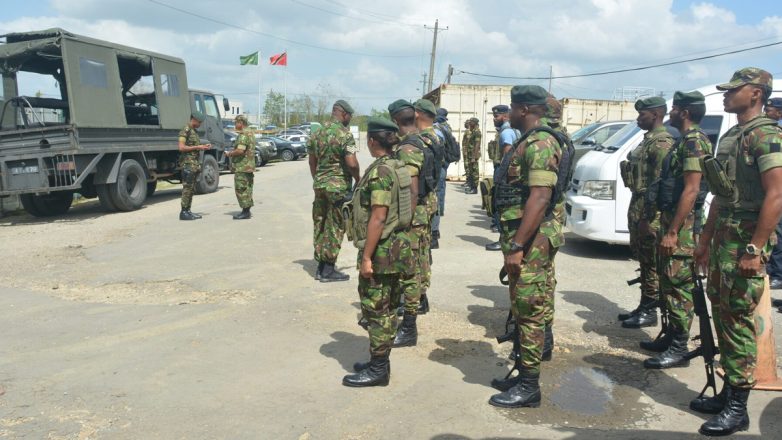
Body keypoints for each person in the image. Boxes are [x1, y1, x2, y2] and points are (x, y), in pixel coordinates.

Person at [693, 67, 782, 436]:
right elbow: (720, 193)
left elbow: (777, 193)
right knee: (724, 314)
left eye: (734, 90)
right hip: (723, 238)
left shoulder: (765, 135)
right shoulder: (734, 134)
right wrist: (704, 239)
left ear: (757, 94)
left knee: (739, 319)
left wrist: (754, 249)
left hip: (744, 240)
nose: (727, 95)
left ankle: (737, 406)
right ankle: (730, 388)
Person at [489, 85, 562, 408]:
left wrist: (518, 245)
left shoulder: (541, 143)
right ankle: (523, 373)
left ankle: (530, 386)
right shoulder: (528, 140)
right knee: (524, 308)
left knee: (529, 311)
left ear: (525, 110)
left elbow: (541, 197)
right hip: (525, 239)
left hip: (531, 241)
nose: (509, 113)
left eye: (514, 108)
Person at [342, 116, 414, 387]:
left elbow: (378, 217)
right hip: (396, 246)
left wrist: (368, 257)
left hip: (382, 251)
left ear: (372, 141)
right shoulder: (397, 166)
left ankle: (378, 369)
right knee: (387, 307)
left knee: (377, 309)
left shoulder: (382, 171)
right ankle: (378, 361)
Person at [643, 91, 712, 369]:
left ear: (684, 113)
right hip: (673, 221)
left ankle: (679, 347)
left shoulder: (695, 141)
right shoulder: (684, 141)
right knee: (668, 283)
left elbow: (692, 189)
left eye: (674, 109)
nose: (669, 113)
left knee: (679, 287)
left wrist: (673, 232)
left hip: (683, 228)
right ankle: (672, 335)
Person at [617, 97, 673, 329]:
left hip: (650, 209)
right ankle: (645, 303)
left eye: (643, 115)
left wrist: (650, 218)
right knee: (642, 257)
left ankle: (650, 310)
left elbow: (660, 184)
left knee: (651, 261)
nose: (639, 118)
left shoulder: (662, 143)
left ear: (657, 115)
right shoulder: (648, 140)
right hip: (639, 203)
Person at [387, 99, 430, 346]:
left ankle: (409, 327)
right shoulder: (424, 139)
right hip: (421, 214)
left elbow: (412, 190)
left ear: (395, 121)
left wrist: (403, 222)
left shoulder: (408, 148)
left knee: (409, 272)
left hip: (412, 217)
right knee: (417, 267)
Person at [308, 100, 360, 282]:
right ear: (344, 114)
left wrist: (318, 179)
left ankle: (321, 267)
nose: (349, 120)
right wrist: (359, 180)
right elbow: (352, 163)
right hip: (338, 187)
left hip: (320, 185)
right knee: (335, 225)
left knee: (320, 224)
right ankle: (328, 269)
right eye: (350, 117)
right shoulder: (345, 135)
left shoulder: (316, 134)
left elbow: (312, 161)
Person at [486, 104, 519, 251]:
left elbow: (507, 157)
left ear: (505, 116)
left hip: (503, 170)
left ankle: (502, 240)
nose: (494, 119)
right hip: (505, 170)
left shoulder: (506, 133)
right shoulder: (512, 130)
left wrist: (502, 177)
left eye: (497, 116)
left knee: (500, 204)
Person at [416, 99, 445, 250]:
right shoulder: (436, 134)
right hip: (431, 187)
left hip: (423, 193)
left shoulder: (422, 139)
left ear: (417, 114)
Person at [763, 97, 782, 290]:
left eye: (771, 110)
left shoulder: (776, 134)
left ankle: (777, 273)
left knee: (778, 235)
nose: (767, 112)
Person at [178, 111, 212, 221]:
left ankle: (188, 210)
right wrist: (198, 147)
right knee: (187, 188)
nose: (200, 124)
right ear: (194, 119)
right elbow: (181, 147)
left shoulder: (194, 131)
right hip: (188, 163)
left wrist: (202, 146)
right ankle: (183, 212)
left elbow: (193, 144)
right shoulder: (185, 130)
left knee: (191, 188)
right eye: (200, 122)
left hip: (194, 163)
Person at [223, 114, 255, 219]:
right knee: (247, 188)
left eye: (236, 123)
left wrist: (229, 153)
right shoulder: (250, 132)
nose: (235, 125)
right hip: (248, 167)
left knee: (241, 189)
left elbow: (240, 151)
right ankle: (247, 210)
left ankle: (245, 211)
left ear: (241, 123)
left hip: (243, 167)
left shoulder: (243, 135)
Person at [464, 118, 482, 194]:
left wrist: (474, 157)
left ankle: (475, 189)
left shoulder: (477, 132)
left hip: (473, 155)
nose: (469, 123)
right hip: (470, 154)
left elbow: (477, 144)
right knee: (471, 171)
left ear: (474, 123)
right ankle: (471, 187)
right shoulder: (473, 131)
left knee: (475, 172)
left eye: (471, 121)